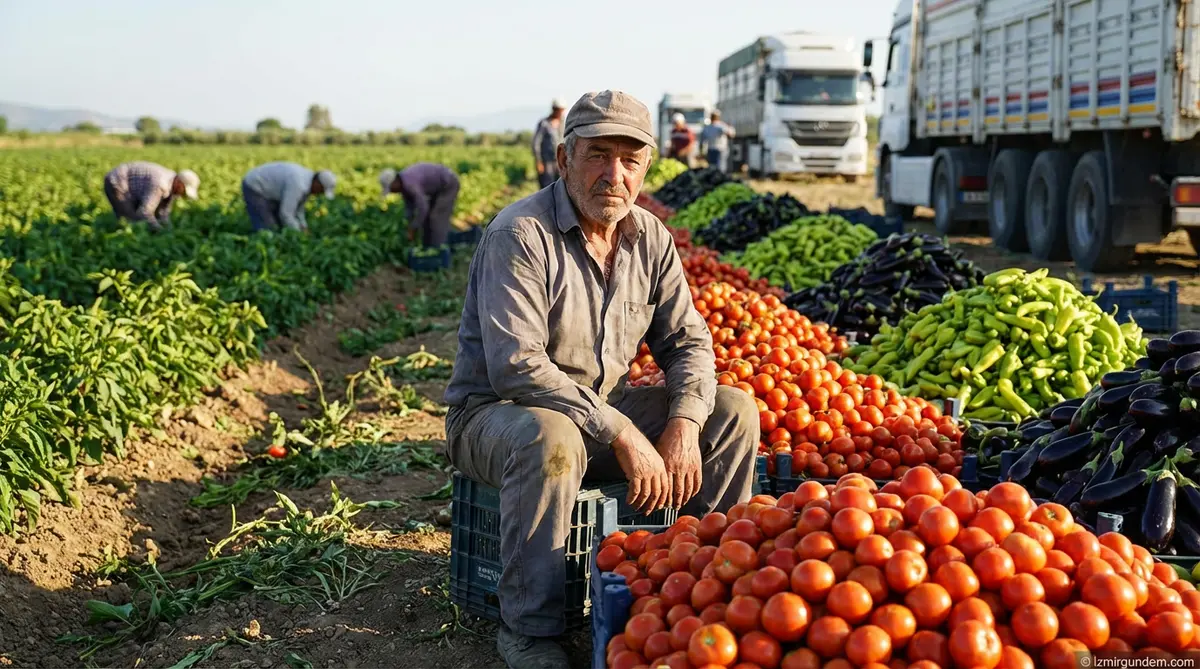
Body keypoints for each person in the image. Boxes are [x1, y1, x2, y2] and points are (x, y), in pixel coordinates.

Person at [443, 90, 758, 669]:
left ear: (646, 169)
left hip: (595, 411)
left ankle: (703, 584)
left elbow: (688, 342)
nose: (614, 174)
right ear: (564, 160)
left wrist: (684, 425)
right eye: (597, 155)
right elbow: (516, 365)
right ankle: (529, 629)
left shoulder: (650, 238)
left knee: (733, 412)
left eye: (630, 160)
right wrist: (622, 430)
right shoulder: (521, 235)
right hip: (499, 418)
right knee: (552, 437)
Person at [378, 163, 461, 247]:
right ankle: (428, 247)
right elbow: (409, 207)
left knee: (436, 218)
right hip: (437, 189)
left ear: (395, 182)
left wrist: (413, 227)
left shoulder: (410, 184)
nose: (392, 192)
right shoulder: (403, 186)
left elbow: (423, 208)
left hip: (448, 184)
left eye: (391, 188)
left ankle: (439, 249)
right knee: (427, 219)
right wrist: (410, 223)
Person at [103, 161, 200, 232]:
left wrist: (169, 230)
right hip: (117, 181)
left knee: (141, 218)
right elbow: (144, 212)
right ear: (179, 184)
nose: (183, 196)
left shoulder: (172, 183)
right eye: (184, 192)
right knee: (131, 219)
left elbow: (163, 212)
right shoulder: (160, 185)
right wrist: (158, 230)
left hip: (132, 187)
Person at [241, 161, 336, 232]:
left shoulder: (308, 183)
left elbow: (299, 209)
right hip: (254, 185)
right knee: (269, 229)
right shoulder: (298, 184)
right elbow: (286, 213)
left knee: (281, 225)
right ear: (317, 184)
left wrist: (304, 226)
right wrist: (299, 232)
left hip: (270, 189)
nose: (320, 194)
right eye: (321, 190)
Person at [532, 99, 566, 189]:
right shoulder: (544, 123)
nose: (560, 113)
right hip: (546, 161)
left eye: (561, 110)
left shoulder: (564, 123)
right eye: (558, 110)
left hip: (560, 161)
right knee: (546, 185)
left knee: (560, 186)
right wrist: (538, 161)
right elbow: (536, 142)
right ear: (553, 109)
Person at [699, 109, 736, 174]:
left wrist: (701, 152)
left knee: (712, 168)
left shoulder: (707, 128)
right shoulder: (721, 126)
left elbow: (702, 141)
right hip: (720, 149)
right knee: (720, 168)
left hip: (711, 150)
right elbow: (731, 134)